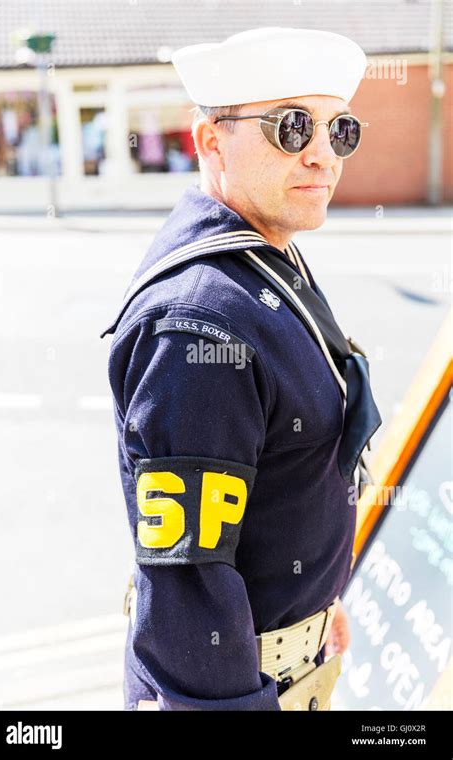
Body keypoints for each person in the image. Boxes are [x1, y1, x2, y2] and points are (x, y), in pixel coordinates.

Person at [101, 26, 382, 711]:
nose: (323, 153)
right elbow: (189, 577)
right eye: (291, 127)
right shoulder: (201, 318)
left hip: (287, 663)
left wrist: (313, 603)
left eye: (339, 129)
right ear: (209, 141)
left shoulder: (261, 253)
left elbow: (284, 470)